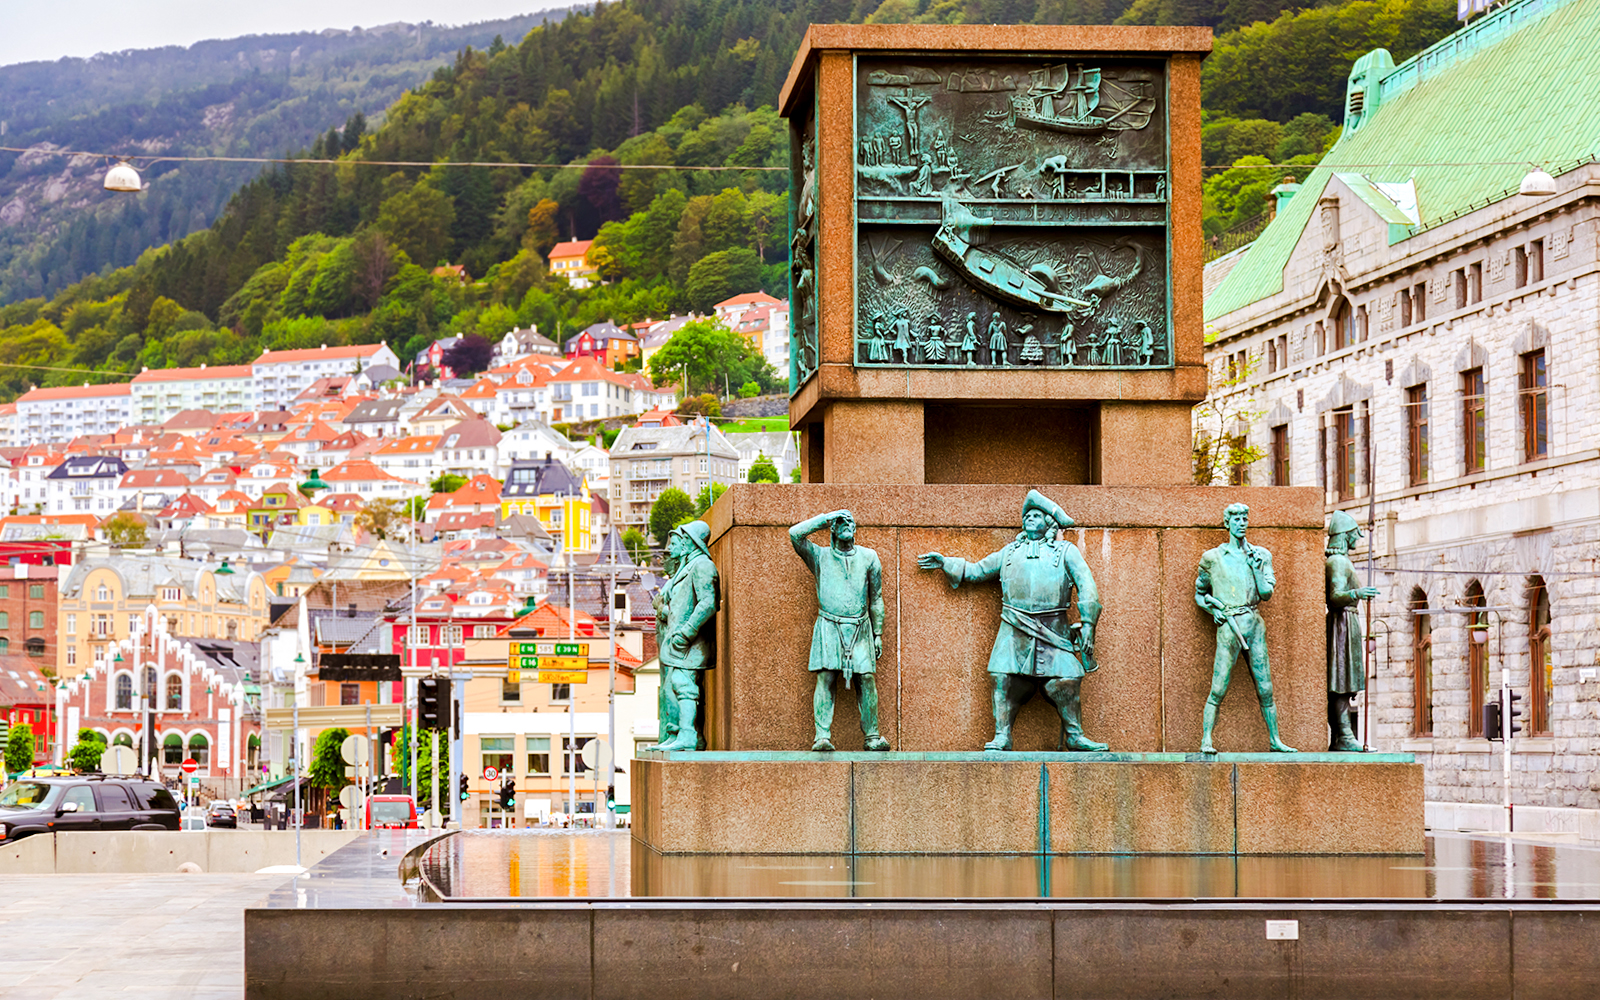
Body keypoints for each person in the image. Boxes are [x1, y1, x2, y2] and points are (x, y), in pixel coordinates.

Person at [917, 490, 1108, 752]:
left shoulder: (1066, 552)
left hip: (1054, 629)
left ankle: (1074, 735)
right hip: (1014, 627)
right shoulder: (1009, 552)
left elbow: (1087, 585)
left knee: (1067, 678)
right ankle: (1002, 735)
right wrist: (946, 563)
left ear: (1049, 523)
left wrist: (1088, 624)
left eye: (1036, 515)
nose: (1029, 518)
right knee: (1003, 678)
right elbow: (978, 570)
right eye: (1027, 515)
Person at [1194, 503, 1296, 754]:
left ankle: (1275, 740)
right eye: (1236, 519)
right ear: (1227, 523)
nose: (1241, 522)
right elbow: (1200, 594)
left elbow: (1266, 593)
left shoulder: (1261, 555)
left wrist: (1256, 568)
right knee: (1219, 685)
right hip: (1229, 625)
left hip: (1253, 623)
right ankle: (1206, 739)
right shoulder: (1212, 558)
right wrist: (1213, 610)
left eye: (1244, 518)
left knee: (1265, 687)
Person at [790, 509, 890, 752]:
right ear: (832, 529)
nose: (847, 525)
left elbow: (876, 598)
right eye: (841, 522)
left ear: (855, 530)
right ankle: (822, 736)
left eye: (851, 522)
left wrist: (878, 633)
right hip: (829, 625)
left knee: (866, 679)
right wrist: (826, 518)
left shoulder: (869, 557)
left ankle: (872, 737)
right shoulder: (819, 556)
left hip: (860, 627)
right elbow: (795, 534)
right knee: (826, 677)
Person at [644, 521, 720, 751]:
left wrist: (687, 632)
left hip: (690, 642)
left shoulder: (702, 565)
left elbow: (708, 602)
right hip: (680, 643)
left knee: (683, 684)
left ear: (690, 541)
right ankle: (682, 735)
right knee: (674, 687)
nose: (677, 543)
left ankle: (688, 735)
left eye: (682, 539)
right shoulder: (688, 567)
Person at [1326, 511, 1379, 751]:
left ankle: (1342, 735)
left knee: (1347, 680)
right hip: (1342, 623)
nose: (1357, 541)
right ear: (1345, 536)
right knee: (1342, 681)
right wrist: (1357, 593)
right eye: (1353, 536)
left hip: (1349, 621)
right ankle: (1344, 735)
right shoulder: (1337, 562)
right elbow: (1335, 596)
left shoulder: (1343, 561)